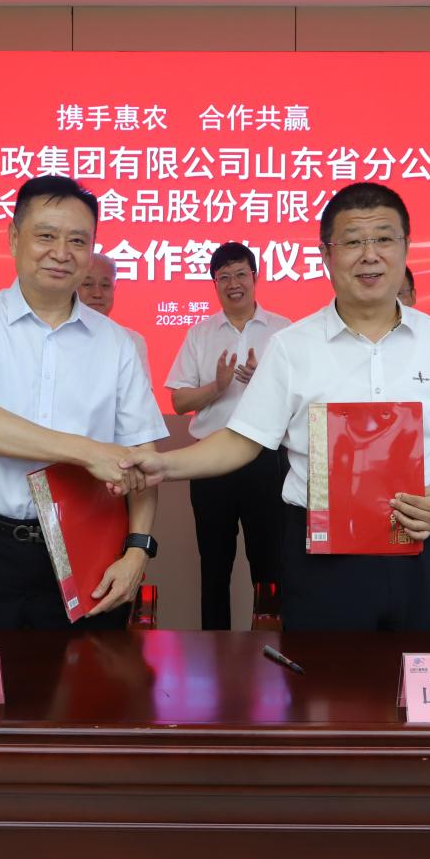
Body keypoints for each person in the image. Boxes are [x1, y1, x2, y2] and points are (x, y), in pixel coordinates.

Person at [120, 182, 430, 631]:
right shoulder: (292, 346)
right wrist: (163, 465)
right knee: (326, 677)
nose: (369, 255)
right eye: (352, 242)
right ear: (326, 255)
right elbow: (242, 441)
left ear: (406, 248)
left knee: (428, 670)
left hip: (422, 545)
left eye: (384, 239)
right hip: (323, 560)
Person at [0, 175, 167, 630]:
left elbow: (142, 456)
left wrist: (138, 549)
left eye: (78, 240)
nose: (61, 252)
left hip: (87, 551)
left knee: (86, 676)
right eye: (46, 236)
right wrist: (89, 452)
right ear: (14, 238)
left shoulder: (119, 343)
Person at [164, 242, 291, 629]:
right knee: (214, 564)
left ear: (255, 278)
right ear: (214, 284)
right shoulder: (200, 334)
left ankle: (268, 646)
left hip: (266, 460)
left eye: (240, 274)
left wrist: (263, 382)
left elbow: (303, 401)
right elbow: (179, 401)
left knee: (269, 563)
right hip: (210, 463)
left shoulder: (284, 332)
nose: (233, 284)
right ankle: (213, 649)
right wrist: (217, 387)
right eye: (224, 277)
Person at [78, 250, 151, 374]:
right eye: (88, 284)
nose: (97, 294)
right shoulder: (54, 336)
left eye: (105, 285)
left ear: (114, 288)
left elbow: (139, 387)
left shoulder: (131, 341)